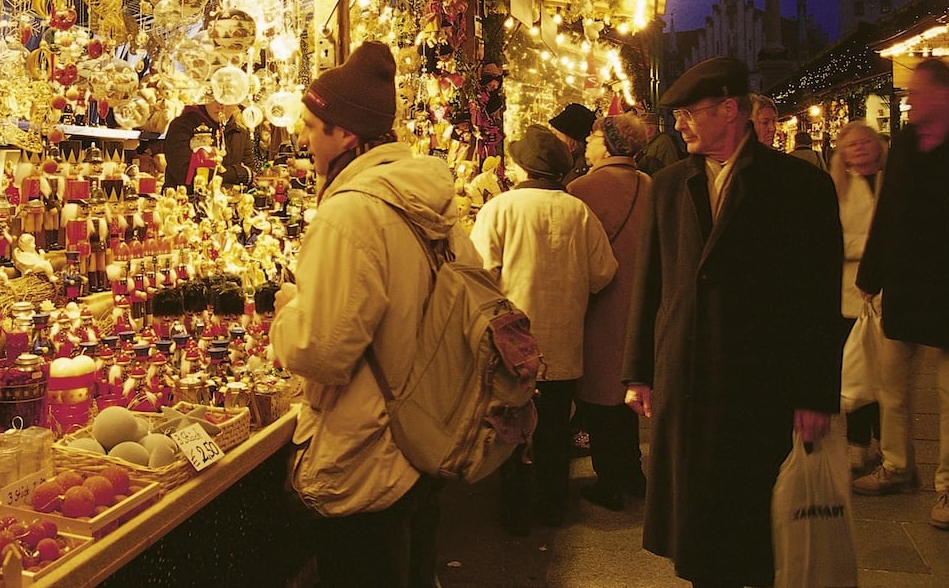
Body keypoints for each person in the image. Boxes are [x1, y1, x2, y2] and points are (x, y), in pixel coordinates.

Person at [623, 56, 844, 588]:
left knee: (753, 526)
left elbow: (817, 297)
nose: (679, 125)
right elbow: (649, 282)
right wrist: (638, 370)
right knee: (696, 529)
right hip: (687, 372)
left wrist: (816, 394)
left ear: (730, 109)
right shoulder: (670, 185)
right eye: (676, 115)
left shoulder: (798, 186)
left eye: (689, 113)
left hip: (757, 379)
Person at [271, 41, 475, 586]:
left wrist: (288, 311)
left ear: (346, 135)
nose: (303, 138)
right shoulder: (431, 204)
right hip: (425, 434)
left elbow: (322, 350)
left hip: (369, 449)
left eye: (312, 126)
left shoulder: (351, 214)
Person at [470, 124, 617, 534]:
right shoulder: (578, 211)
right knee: (554, 427)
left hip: (510, 343)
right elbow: (603, 273)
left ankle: (514, 513)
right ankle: (552, 507)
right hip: (564, 342)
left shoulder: (499, 209)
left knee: (509, 427)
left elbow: (480, 274)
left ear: (522, 168)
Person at [853, 57, 949, 532]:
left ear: (945, 95)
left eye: (919, 91)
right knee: (892, 386)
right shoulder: (905, 143)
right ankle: (899, 465)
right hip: (906, 284)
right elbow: (887, 210)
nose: (910, 99)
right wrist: (872, 272)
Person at [568, 113, 652, 512]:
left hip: (600, 302)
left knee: (600, 398)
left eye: (593, 136)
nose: (587, 142)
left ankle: (610, 481)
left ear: (610, 143)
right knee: (629, 391)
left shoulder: (581, 189)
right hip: (641, 303)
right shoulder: (649, 185)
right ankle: (634, 474)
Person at [829, 120, 886, 473]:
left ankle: (889, 445)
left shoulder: (892, 182)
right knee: (856, 374)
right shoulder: (837, 188)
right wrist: (870, 250)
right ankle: (858, 443)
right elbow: (832, 239)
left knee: (887, 374)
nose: (861, 148)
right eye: (852, 144)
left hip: (891, 294)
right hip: (852, 294)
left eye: (866, 141)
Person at [162, 96, 256, 190]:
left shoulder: (240, 131)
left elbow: (251, 176)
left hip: (231, 202)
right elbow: (186, 177)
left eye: (226, 99)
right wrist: (236, 174)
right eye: (214, 98)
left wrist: (243, 175)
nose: (220, 105)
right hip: (184, 201)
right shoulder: (182, 126)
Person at [548, 102, 596, 184]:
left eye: (556, 134)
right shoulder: (565, 165)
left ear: (572, 140)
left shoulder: (582, 172)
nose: (552, 139)